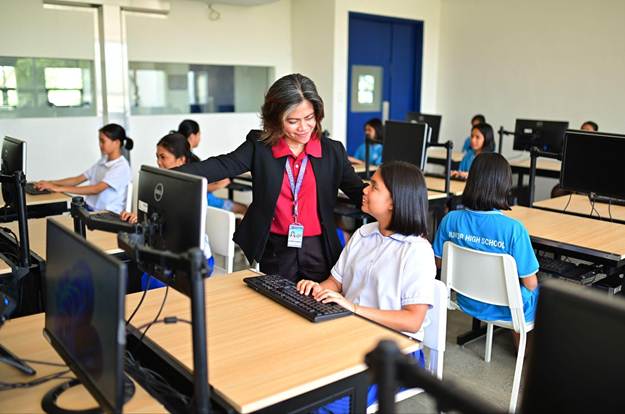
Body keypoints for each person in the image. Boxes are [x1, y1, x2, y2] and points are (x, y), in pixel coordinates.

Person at [177, 73, 365, 281]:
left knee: (318, 299)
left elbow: (359, 192)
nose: (303, 128)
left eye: (309, 118)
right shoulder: (260, 148)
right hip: (276, 249)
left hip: (319, 247)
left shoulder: (332, 151)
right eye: (293, 121)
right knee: (276, 299)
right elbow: (221, 165)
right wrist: (167, 178)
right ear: (275, 119)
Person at [297, 161, 435, 411]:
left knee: (322, 401)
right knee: (298, 375)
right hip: (351, 332)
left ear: (393, 201)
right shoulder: (363, 234)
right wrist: (317, 288)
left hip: (395, 351)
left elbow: (413, 320)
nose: (365, 190)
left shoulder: (417, 251)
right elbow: (336, 281)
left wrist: (354, 309)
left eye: (374, 186)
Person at [433, 153, 539, 325]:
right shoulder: (514, 230)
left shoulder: (450, 219)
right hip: (507, 308)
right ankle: (521, 341)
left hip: (467, 300)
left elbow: (438, 263)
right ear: (505, 185)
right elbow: (530, 283)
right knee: (540, 294)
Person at [120, 132, 214, 285]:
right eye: (157, 157)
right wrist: (139, 218)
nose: (158, 162)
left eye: (163, 157)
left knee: (150, 281)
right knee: (140, 273)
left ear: (181, 160)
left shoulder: (193, 190)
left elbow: (181, 230)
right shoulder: (161, 184)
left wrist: (149, 223)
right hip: (166, 250)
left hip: (195, 258)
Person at [34, 123, 132, 214]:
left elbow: (96, 189)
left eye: (103, 141)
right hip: (89, 209)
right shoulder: (103, 161)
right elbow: (77, 179)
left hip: (105, 214)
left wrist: (58, 188)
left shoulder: (121, 167)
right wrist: (51, 183)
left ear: (116, 143)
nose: (100, 145)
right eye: (99, 141)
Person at [176, 119, 246, 214]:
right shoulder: (190, 159)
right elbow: (198, 187)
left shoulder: (182, 157)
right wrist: (220, 184)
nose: (200, 138)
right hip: (206, 201)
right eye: (199, 134)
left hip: (203, 199)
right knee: (244, 208)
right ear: (192, 136)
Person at [551, 120, 599, 197]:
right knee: (556, 192)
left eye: (587, 130)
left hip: (588, 185)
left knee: (581, 194)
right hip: (572, 182)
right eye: (582, 130)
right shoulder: (575, 147)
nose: (584, 132)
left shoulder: (597, 150)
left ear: (595, 133)